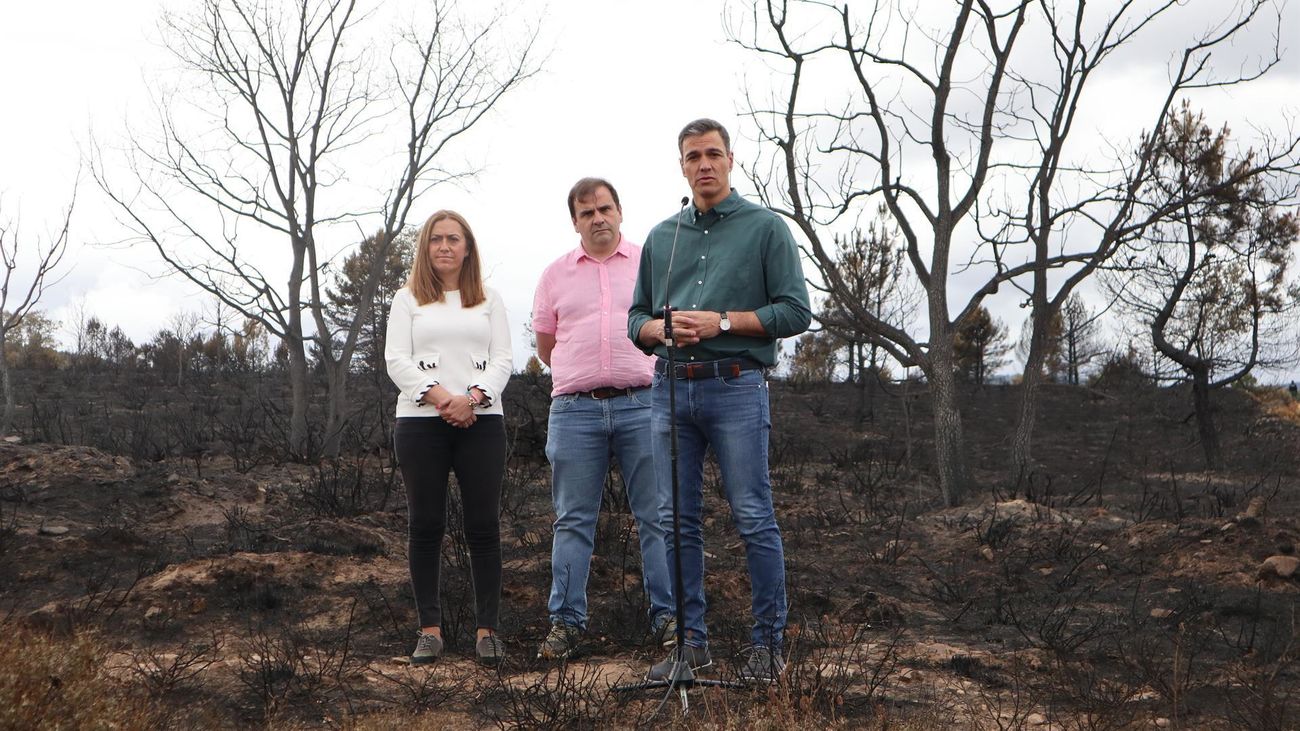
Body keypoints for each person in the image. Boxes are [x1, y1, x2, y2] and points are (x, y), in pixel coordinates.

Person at [628, 118, 812, 684]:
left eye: (713, 154)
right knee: (675, 521)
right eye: (692, 156)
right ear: (681, 166)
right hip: (670, 387)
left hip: (737, 386)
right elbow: (636, 319)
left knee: (754, 517)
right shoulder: (663, 237)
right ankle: (690, 647)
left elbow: (796, 312)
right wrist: (661, 331)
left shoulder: (766, 229)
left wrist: (724, 321)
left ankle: (768, 648)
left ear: (731, 159)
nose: (703, 164)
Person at [531, 178, 674, 660]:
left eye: (605, 208)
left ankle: (670, 619)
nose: (598, 218)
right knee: (572, 521)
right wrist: (586, 371)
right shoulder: (554, 275)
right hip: (574, 411)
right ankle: (566, 624)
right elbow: (546, 346)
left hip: (644, 404)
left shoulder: (647, 264)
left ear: (619, 211)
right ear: (574, 220)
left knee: (657, 516)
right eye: (587, 212)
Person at [385, 210, 513, 667]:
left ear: (467, 247)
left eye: (453, 239)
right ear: (426, 247)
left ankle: (487, 633)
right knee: (425, 526)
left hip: (482, 422)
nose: (444, 246)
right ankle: (430, 632)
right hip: (420, 424)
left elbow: (503, 360)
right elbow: (396, 360)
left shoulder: (489, 300)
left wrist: (472, 399)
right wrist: (442, 398)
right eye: (436, 239)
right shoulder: (407, 300)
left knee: (483, 527)